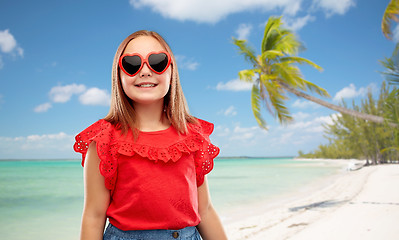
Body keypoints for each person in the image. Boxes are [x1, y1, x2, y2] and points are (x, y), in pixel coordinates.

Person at [73, 30, 227, 240]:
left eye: (157, 61)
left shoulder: (192, 135)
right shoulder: (104, 139)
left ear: (171, 72)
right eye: (132, 64)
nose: (145, 71)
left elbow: (205, 210)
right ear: (118, 75)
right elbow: (93, 216)